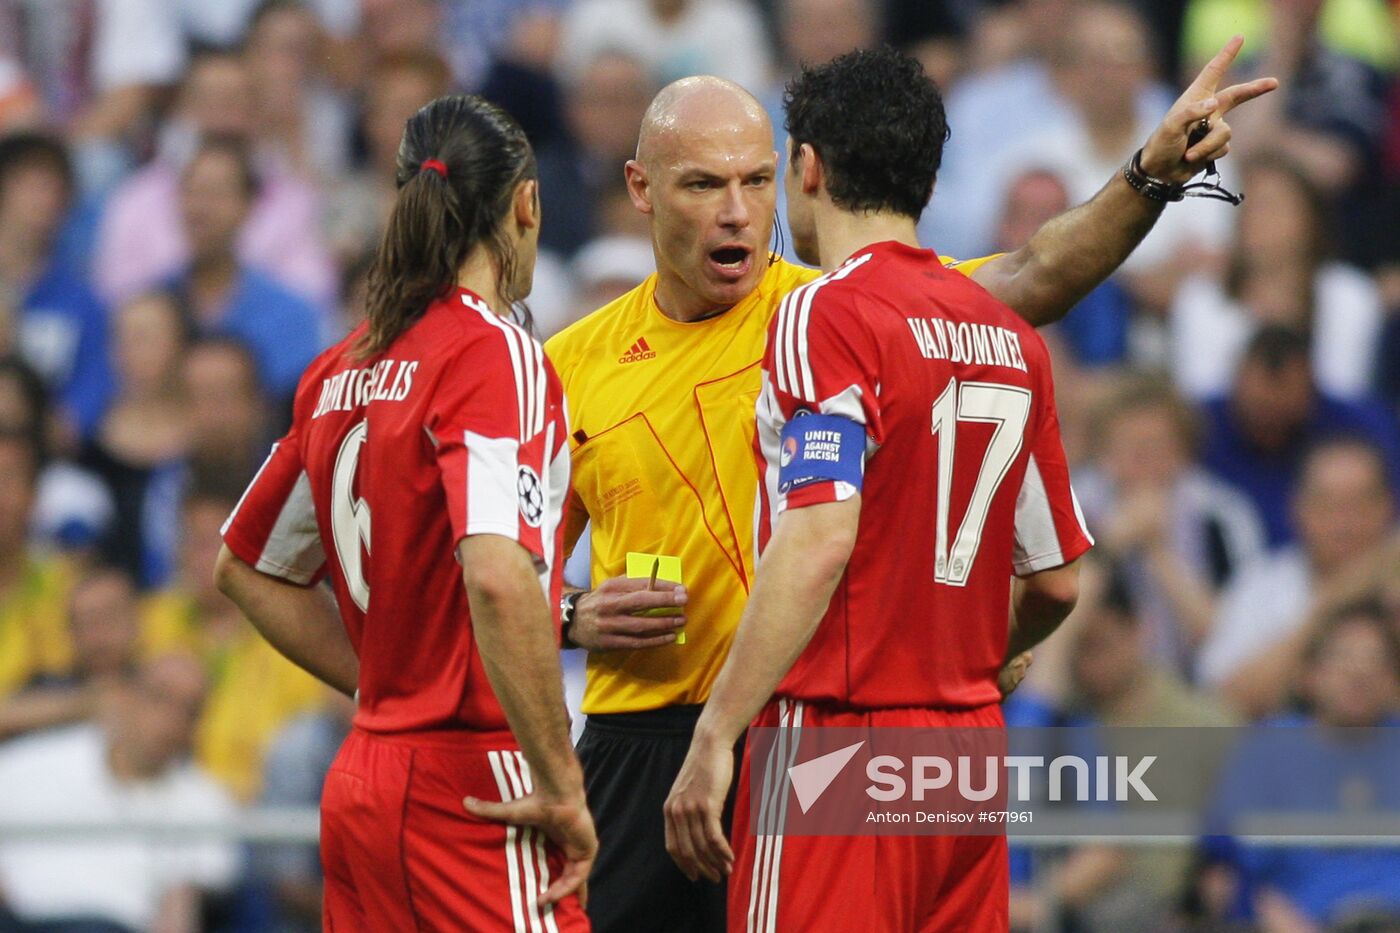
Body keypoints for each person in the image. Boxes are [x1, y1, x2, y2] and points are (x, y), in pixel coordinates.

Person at [545, 36, 1275, 933]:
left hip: (803, 727)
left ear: (797, 174)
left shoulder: (828, 310)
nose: (738, 213)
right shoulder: (567, 368)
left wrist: (1149, 176)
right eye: (703, 186)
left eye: (755, 182)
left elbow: (1040, 270)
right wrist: (571, 618)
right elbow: (496, 578)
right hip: (652, 744)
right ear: (640, 189)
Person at [659, 47, 1090, 930]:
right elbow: (1054, 581)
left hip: (837, 745)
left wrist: (716, 734)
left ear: (808, 167)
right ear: (927, 176)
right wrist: (974, 653)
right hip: (967, 756)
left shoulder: (825, 312)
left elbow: (818, 537)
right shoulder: (1008, 334)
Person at [213, 94, 594, 930]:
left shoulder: (340, 367)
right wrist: (563, 783)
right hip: (477, 780)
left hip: (366, 775)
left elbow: (244, 566)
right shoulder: (495, 355)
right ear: (526, 203)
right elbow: (497, 575)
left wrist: (388, 690)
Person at [0, 652, 240, 933]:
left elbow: (181, 907)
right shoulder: (31, 763)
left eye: (189, 710)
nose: (170, 719)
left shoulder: (207, 803)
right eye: (160, 697)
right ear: (126, 696)